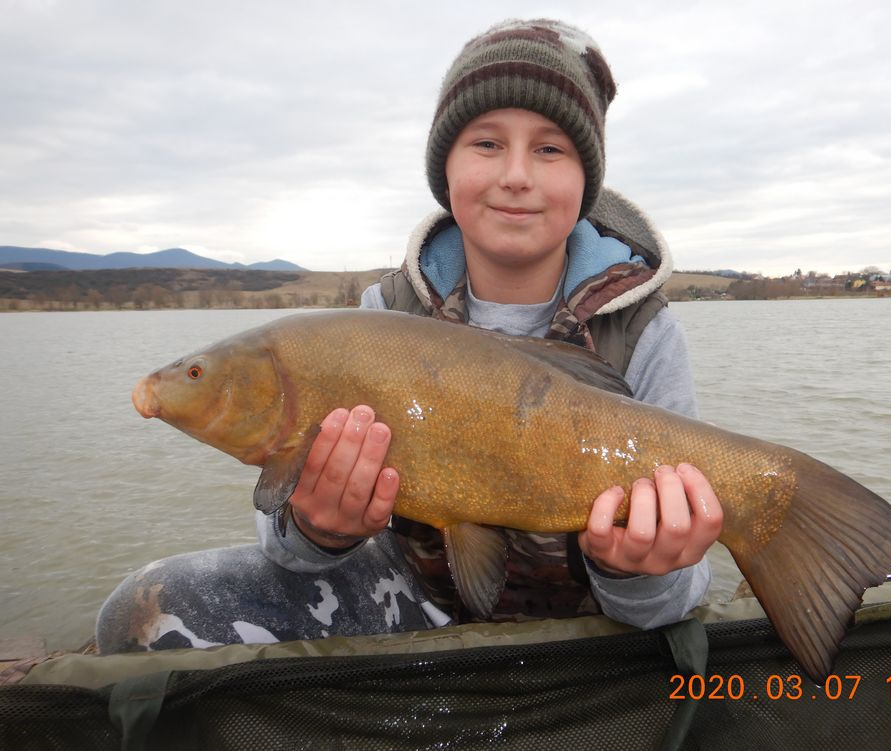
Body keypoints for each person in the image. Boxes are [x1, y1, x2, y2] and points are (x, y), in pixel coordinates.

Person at [96, 18, 723, 654]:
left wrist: (635, 570)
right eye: (486, 143)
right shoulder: (382, 316)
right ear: (444, 169)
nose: (516, 174)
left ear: (587, 178)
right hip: (417, 603)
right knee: (145, 611)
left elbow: (682, 595)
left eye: (550, 149)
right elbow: (288, 555)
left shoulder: (641, 331)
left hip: (593, 626)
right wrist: (319, 531)